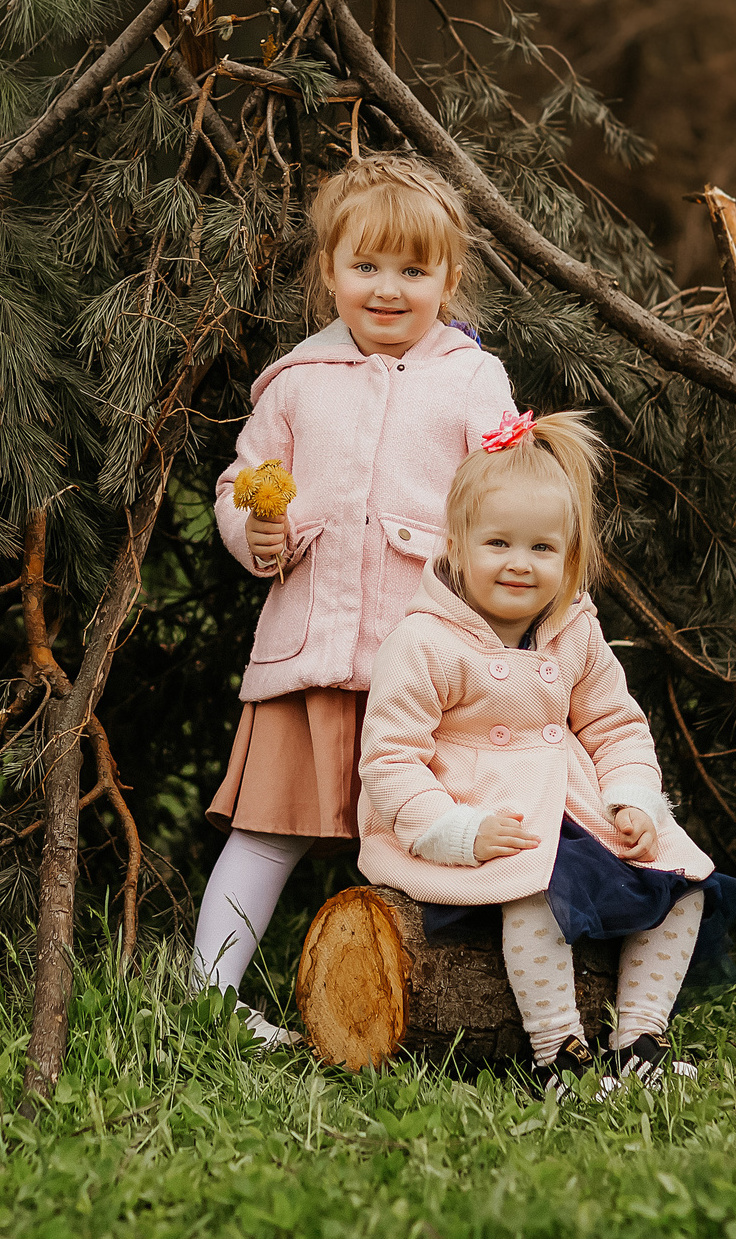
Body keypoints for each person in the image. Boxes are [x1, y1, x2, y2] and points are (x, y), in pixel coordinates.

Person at [199, 153, 518, 1046]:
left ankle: (434, 1003)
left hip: (424, 667)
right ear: (330, 271)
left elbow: (503, 497)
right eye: (366, 267)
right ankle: (208, 995)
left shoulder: (470, 381)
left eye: (413, 271)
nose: (388, 290)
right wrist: (259, 529)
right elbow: (244, 482)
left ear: (448, 281)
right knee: (268, 830)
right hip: (310, 651)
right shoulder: (296, 382)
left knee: (430, 842)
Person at [358, 408, 725, 1092]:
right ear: (457, 546)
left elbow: (616, 724)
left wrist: (632, 798)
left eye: (541, 549)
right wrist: (455, 830)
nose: (519, 565)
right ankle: (558, 1051)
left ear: (570, 557)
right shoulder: (425, 642)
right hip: (475, 820)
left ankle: (639, 1035)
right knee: (535, 896)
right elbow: (389, 758)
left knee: (680, 883)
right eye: (498, 543)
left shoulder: (573, 630)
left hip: (569, 809)